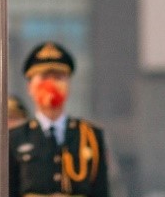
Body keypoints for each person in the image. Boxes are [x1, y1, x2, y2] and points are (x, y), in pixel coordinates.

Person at [8, 42, 110, 197]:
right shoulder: (15, 137)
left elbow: (101, 191)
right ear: (30, 87)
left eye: (58, 78)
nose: (52, 85)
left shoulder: (91, 136)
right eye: (44, 78)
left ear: (69, 85)